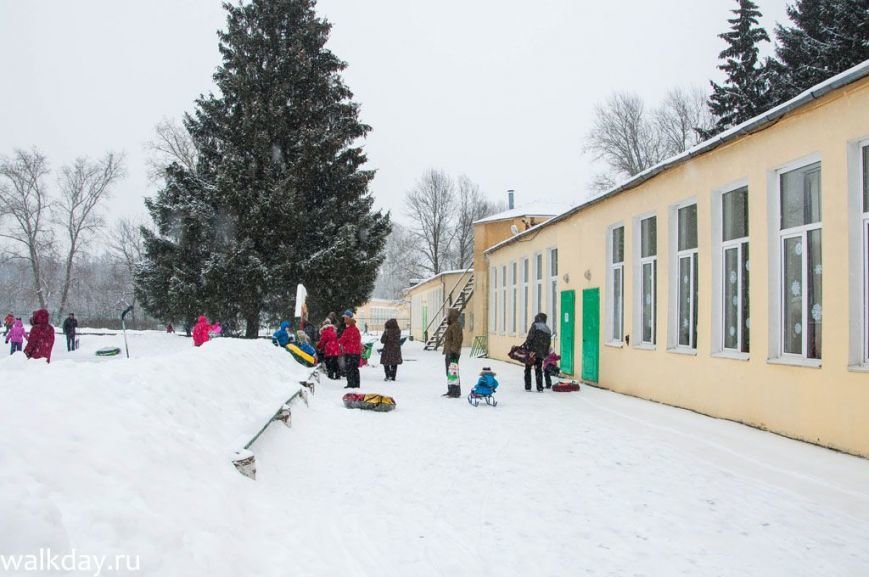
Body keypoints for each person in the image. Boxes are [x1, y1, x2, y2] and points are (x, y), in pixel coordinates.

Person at [523, 312, 552, 392]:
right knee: (538, 369)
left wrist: (527, 346)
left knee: (528, 368)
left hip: (532, 352)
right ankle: (539, 387)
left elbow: (530, 337)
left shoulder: (535, 326)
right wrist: (545, 353)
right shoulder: (548, 329)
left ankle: (528, 386)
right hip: (540, 353)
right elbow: (548, 343)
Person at [442, 308, 463, 397]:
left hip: (453, 352)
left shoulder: (455, 326)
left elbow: (457, 340)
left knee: (453, 372)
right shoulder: (452, 325)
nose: (447, 316)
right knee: (449, 372)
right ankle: (451, 389)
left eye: (448, 315)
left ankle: (455, 391)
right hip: (449, 351)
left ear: (452, 316)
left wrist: (453, 351)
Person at [337, 310, 362, 389]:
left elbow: (342, 340)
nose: (344, 320)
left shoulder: (348, 330)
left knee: (349, 368)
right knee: (355, 368)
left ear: (348, 319)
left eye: (345, 318)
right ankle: (356, 384)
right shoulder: (356, 329)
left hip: (350, 352)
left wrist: (338, 340)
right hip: (356, 352)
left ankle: (351, 384)